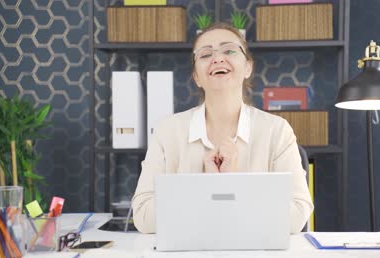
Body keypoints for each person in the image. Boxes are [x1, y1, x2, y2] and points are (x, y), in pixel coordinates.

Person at [131, 22, 313, 234]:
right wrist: (205, 186)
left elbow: (297, 214)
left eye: (229, 50)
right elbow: (143, 217)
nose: (217, 58)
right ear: (196, 77)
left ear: (247, 67)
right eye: (205, 54)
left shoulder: (277, 131)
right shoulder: (167, 131)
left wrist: (233, 184)